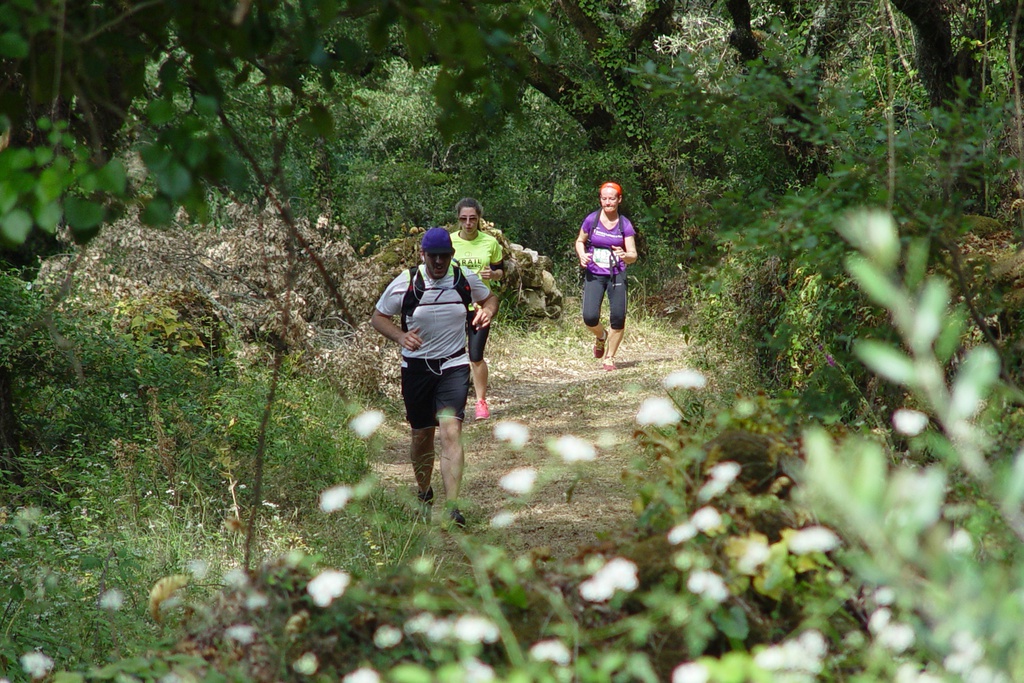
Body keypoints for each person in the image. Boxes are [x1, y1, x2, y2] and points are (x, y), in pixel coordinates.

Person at [371, 227, 498, 528]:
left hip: (453, 365)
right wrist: (401, 337)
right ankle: (424, 491)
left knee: (451, 432)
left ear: (452, 255)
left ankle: (453, 507)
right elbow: (378, 318)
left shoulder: (462, 277)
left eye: (444, 256)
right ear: (422, 255)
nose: (439, 262)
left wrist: (487, 311)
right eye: (434, 257)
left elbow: (490, 298)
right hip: (416, 368)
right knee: (422, 436)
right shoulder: (406, 282)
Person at [450, 198, 505, 420]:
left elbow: (501, 271)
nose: (468, 223)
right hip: (453, 305)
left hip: (480, 306)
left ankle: (481, 402)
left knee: (475, 355)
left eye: (473, 218)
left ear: (479, 218)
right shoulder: (450, 242)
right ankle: (451, 403)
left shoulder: (490, 243)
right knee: (451, 356)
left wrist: (493, 275)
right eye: (464, 219)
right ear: (458, 220)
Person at [574, 181, 638, 371]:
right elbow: (580, 241)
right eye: (604, 198)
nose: (608, 202)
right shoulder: (591, 220)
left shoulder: (624, 224)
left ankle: (609, 357)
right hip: (594, 273)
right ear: (600, 199)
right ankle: (601, 337)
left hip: (616, 274)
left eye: (612, 198)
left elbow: (633, 255)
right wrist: (582, 254)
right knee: (589, 317)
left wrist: (625, 256)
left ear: (619, 200)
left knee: (618, 317)